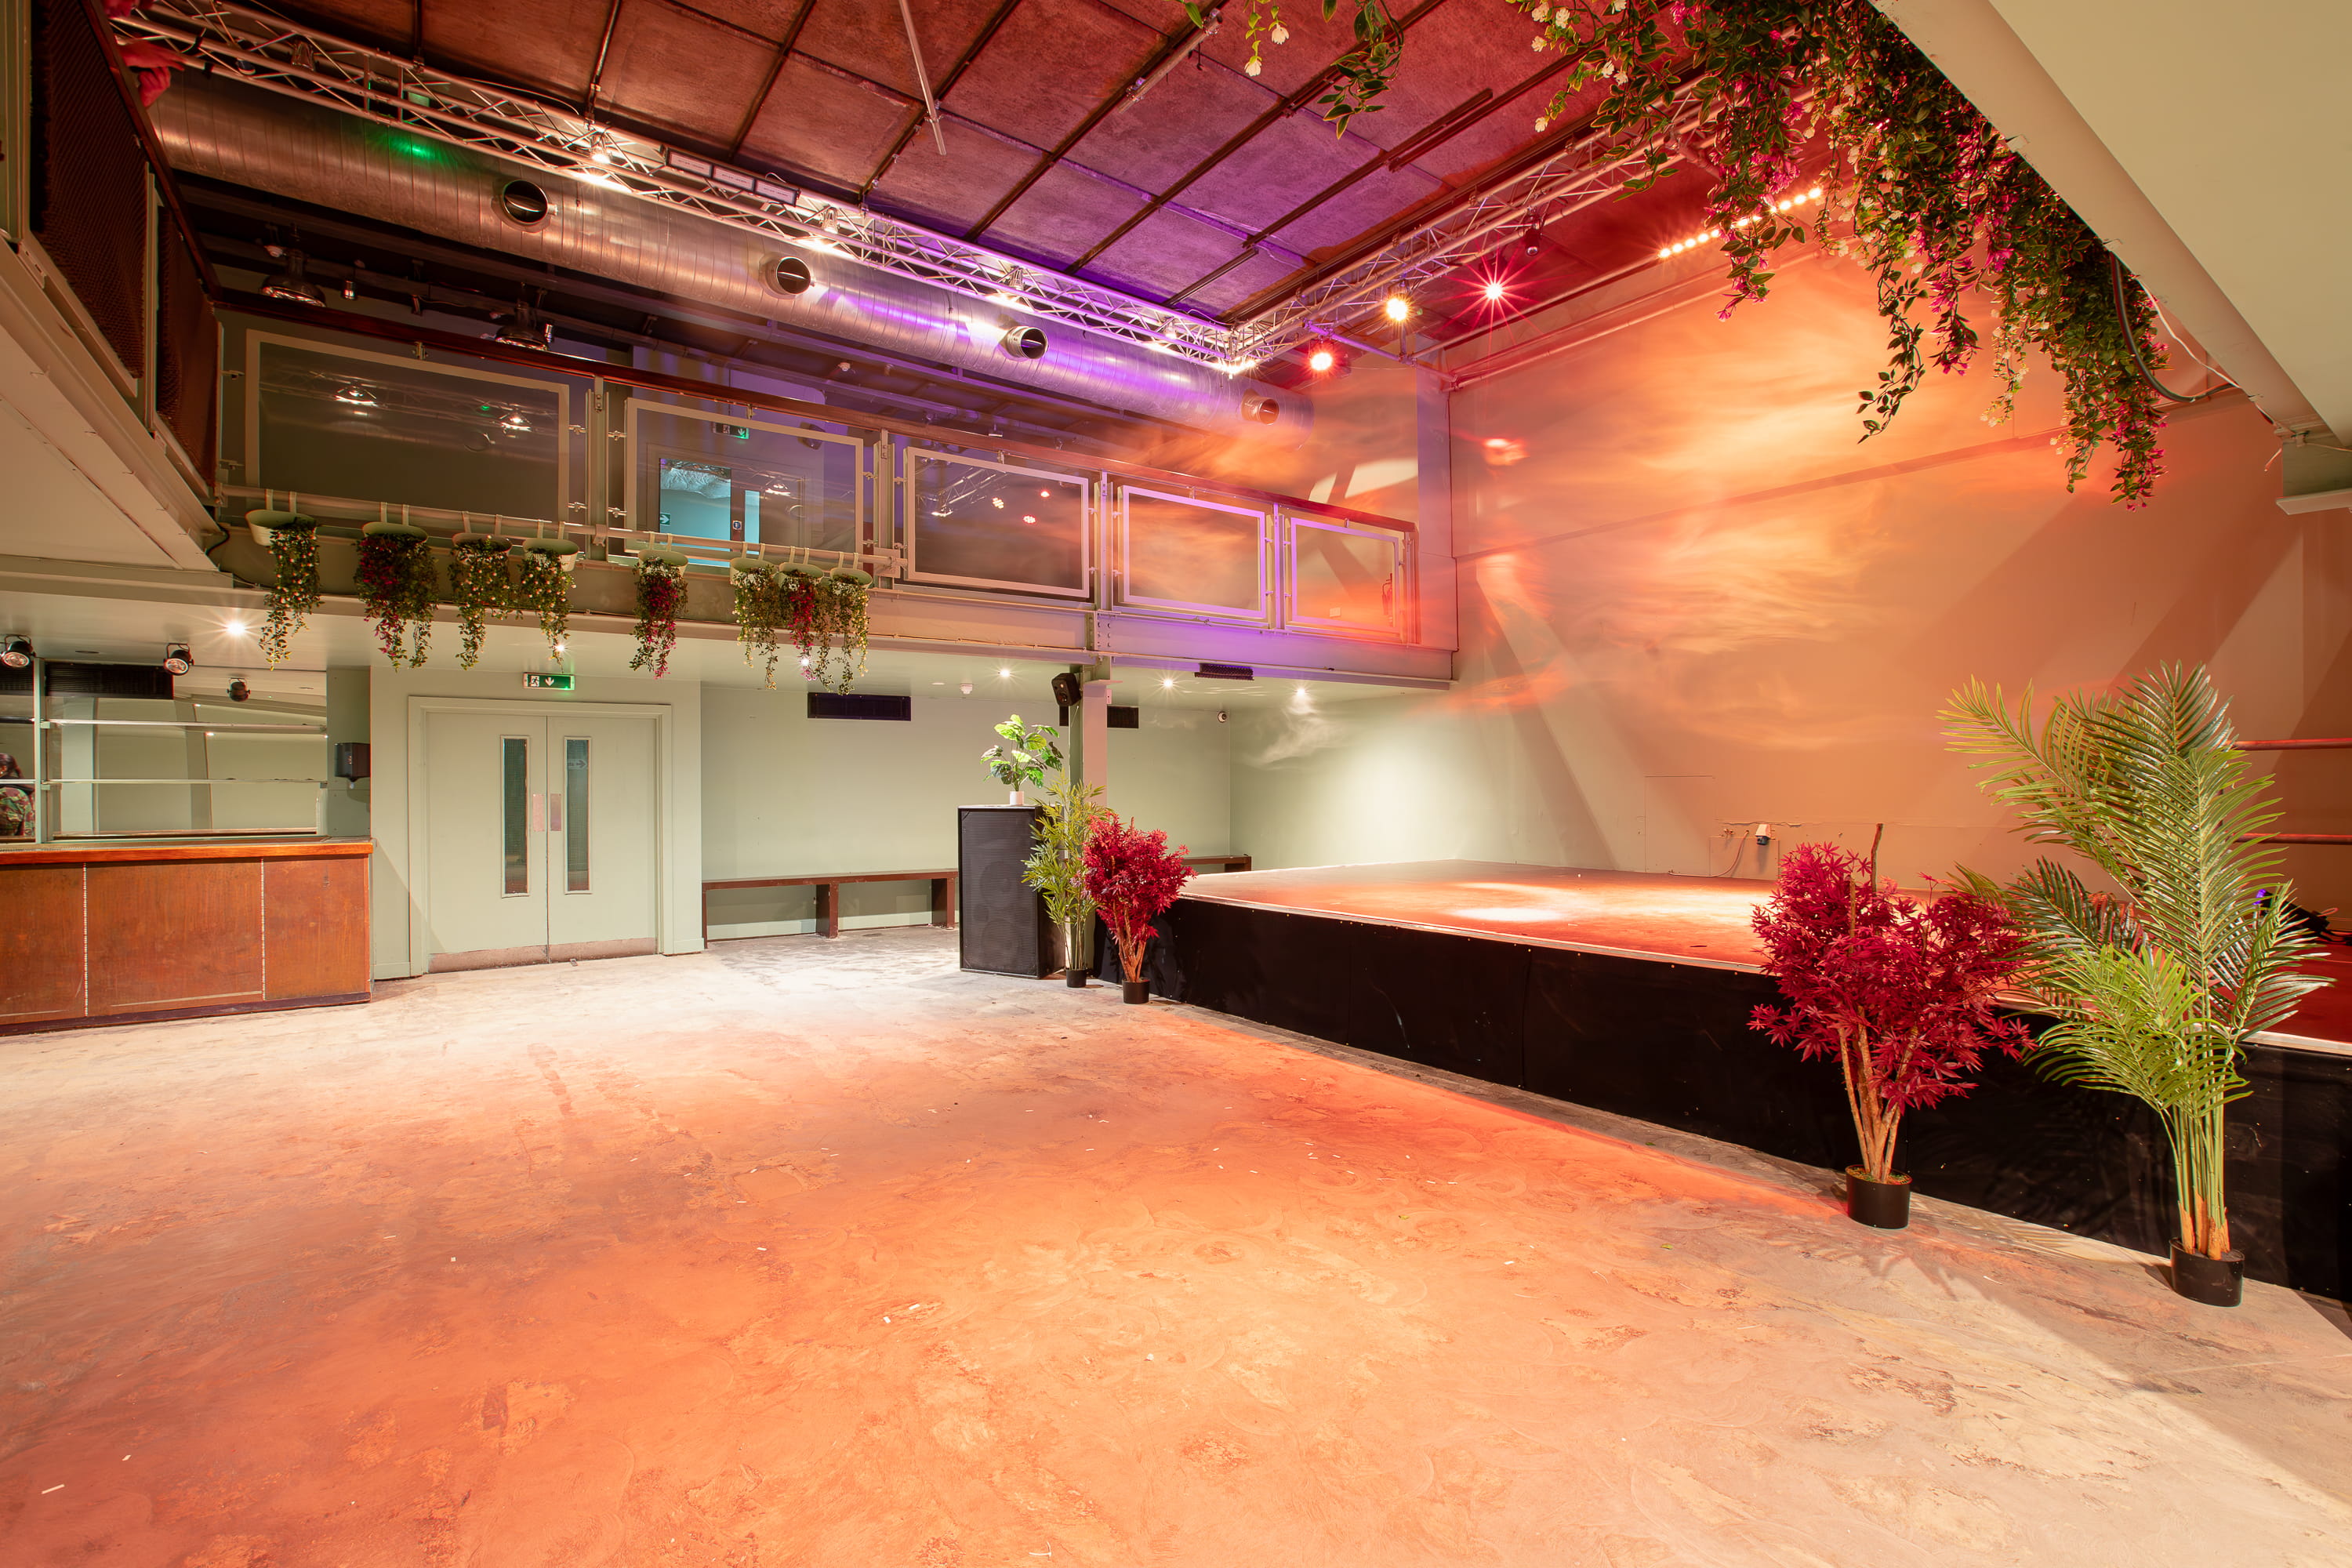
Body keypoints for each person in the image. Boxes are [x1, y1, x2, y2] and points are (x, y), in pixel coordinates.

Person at [0, 751, 29, 838]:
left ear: (3, 769)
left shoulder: (8, 793)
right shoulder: (16, 789)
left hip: (10, 846)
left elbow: (6, 830)